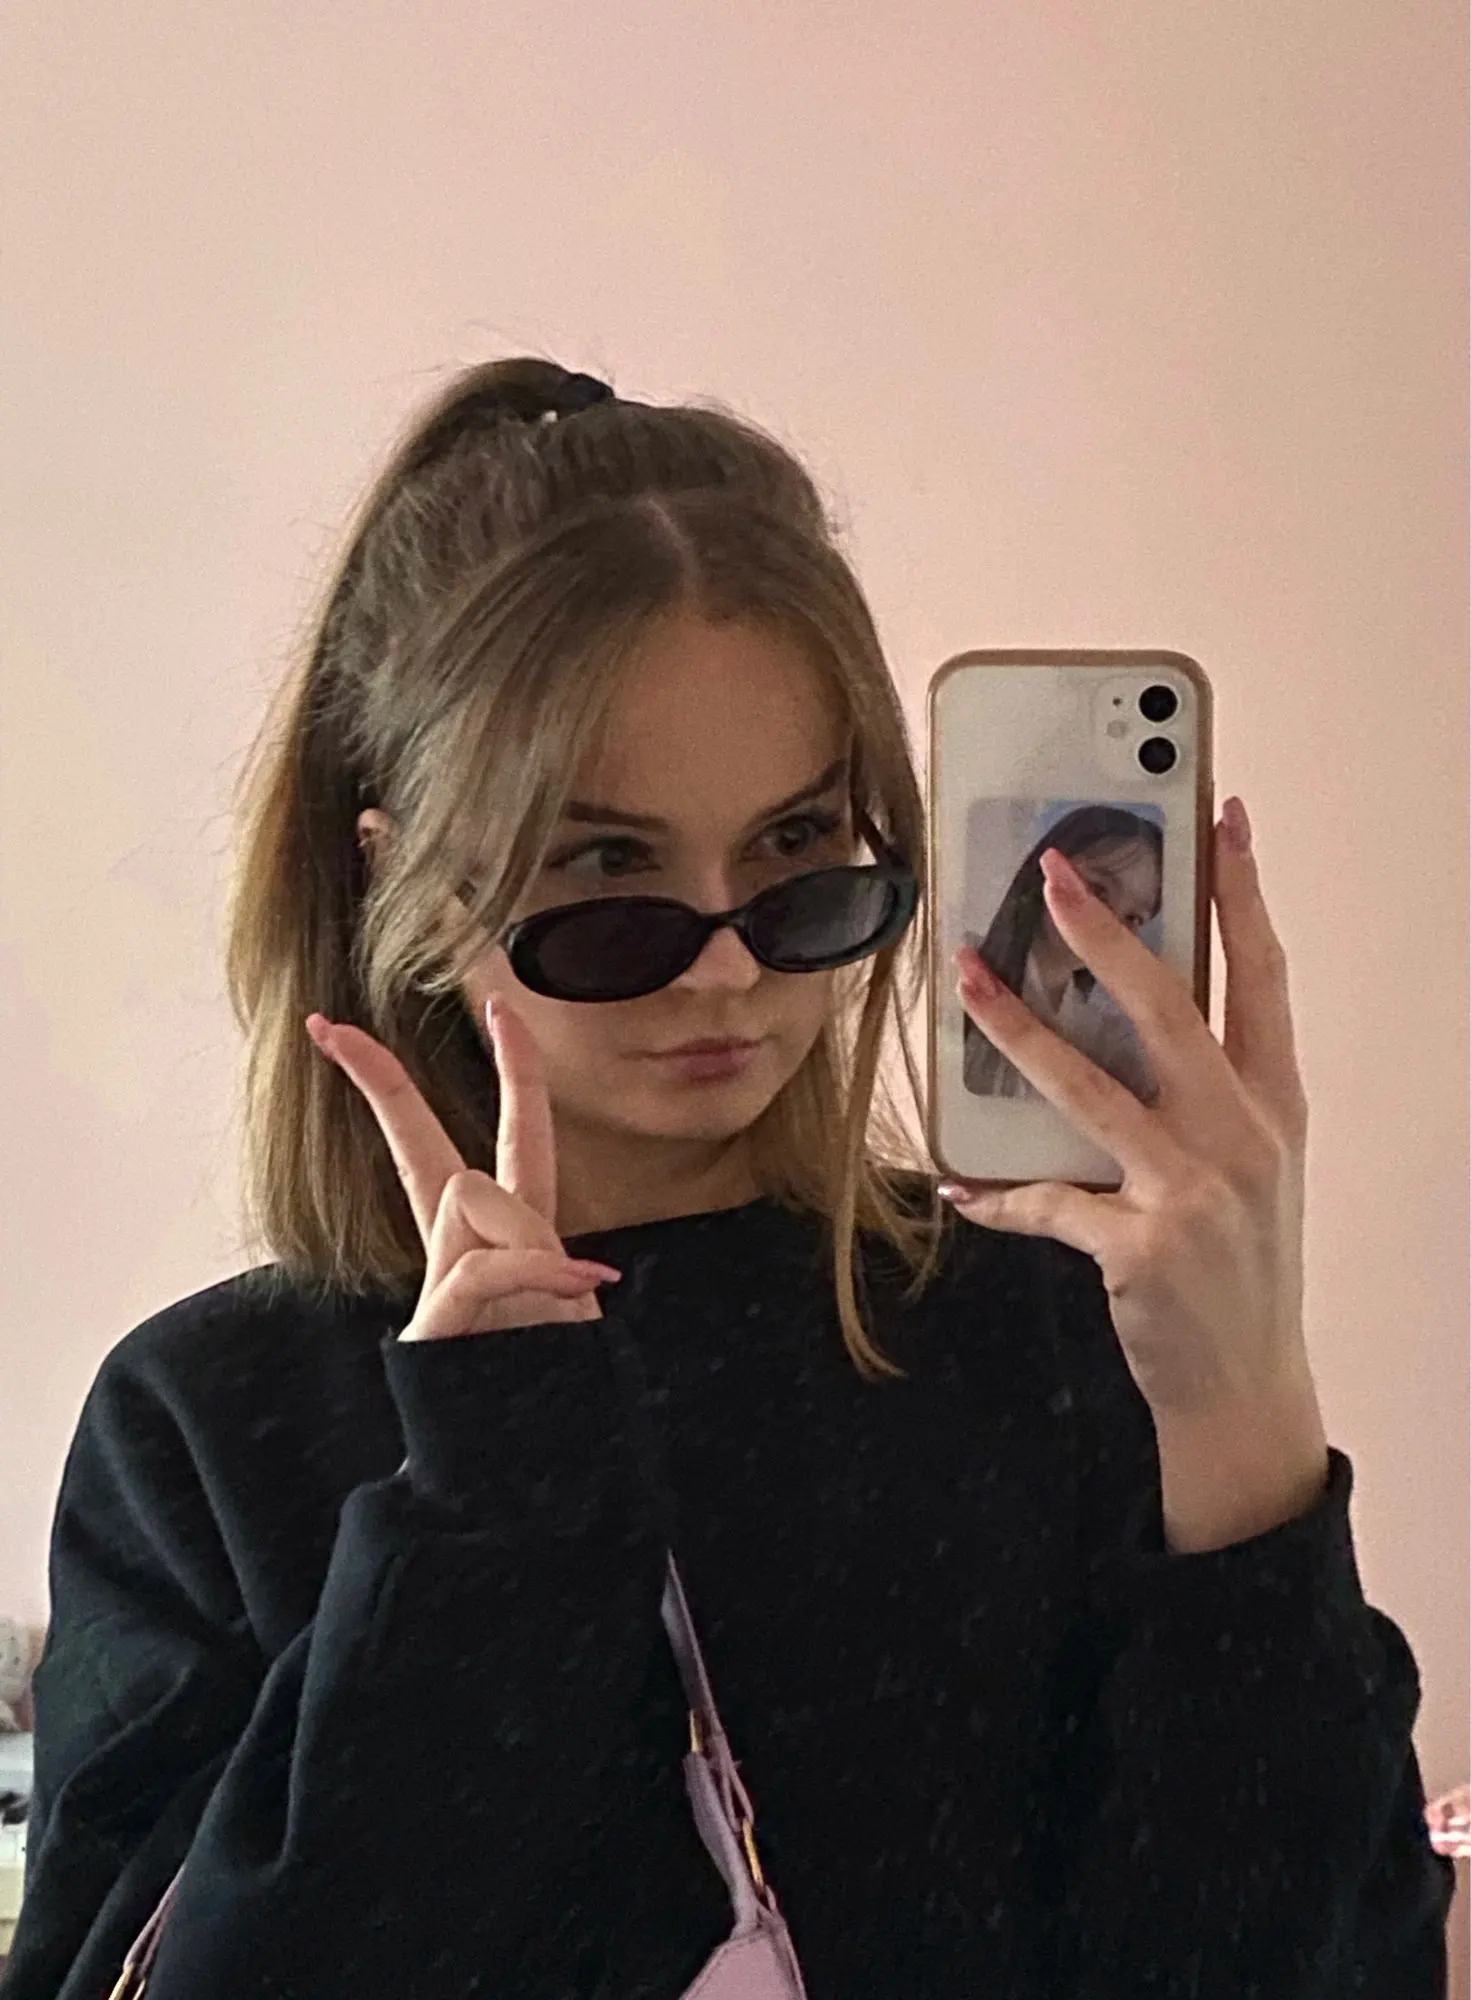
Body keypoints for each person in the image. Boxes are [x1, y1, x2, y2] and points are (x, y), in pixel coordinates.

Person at [2, 359, 1453, 1999]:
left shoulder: (1056, 1334)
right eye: (605, 869)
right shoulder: (213, 1420)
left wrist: (1244, 1416)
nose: (726, 971)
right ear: (409, 878)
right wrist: (485, 1512)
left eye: (794, 854)